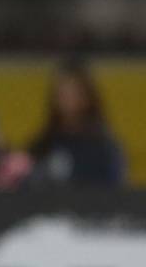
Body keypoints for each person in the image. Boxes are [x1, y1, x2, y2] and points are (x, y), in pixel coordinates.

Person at [25, 58, 126, 187]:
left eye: (72, 93)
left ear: (87, 97)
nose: (65, 99)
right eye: (61, 93)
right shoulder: (44, 145)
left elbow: (115, 191)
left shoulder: (104, 149)